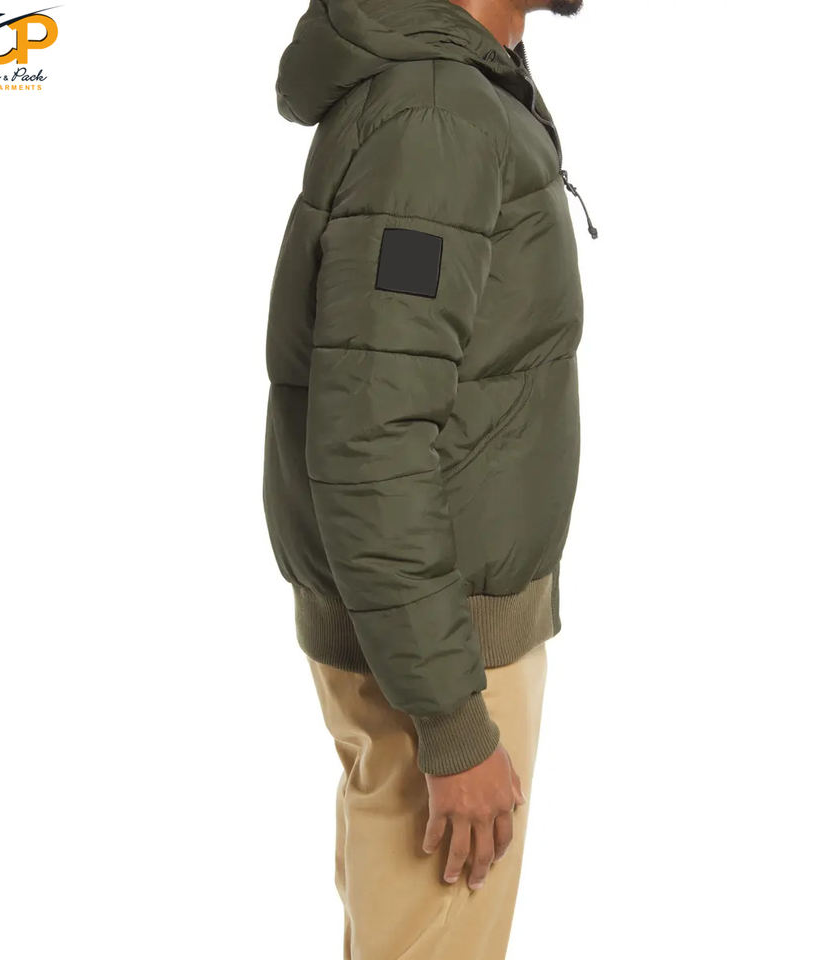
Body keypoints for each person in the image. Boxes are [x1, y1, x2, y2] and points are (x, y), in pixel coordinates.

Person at [263, 0, 590, 956]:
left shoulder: (455, 95)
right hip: (439, 657)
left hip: (428, 634)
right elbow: (373, 431)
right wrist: (451, 719)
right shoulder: (436, 122)